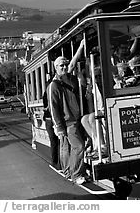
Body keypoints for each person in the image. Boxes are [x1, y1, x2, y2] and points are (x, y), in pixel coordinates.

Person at [47, 56, 88, 185]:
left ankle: (68, 171)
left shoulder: (72, 79)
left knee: (67, 147)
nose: (64, 67)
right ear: (56, 68)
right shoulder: (54, 86)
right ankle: (76, 175)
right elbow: (53, 108)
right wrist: (59, 127)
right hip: (68, 122)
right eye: (61, 66)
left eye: (65, 65)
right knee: (79, 146)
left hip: (77, 119)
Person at [79, 67, 108, 160]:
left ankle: (102, 146)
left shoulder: (105, 84)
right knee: (84, 119)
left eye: (99, 76)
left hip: (107, 109)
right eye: (95, 76)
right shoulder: (93, 87)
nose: (97, 78)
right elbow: (92, 108)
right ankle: (96, 143)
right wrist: (89, 98)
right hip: (99, 110)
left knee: (92, 117)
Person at [42, 83, 60, 171]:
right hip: (52, 119)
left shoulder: (46, 93)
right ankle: (57, 162)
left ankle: (55, 162)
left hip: (48, 119)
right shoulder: (54, 93)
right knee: (58, 141)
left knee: (54, 141)